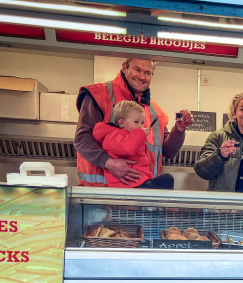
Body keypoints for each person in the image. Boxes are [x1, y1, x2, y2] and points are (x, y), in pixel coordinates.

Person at [73, 58, 194, 187]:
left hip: (143, 195)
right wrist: (108, 162)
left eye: (147, 73)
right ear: (125, 67)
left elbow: (169, 152)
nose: (142, 76)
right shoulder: (99, 94)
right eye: (137, 69)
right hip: (100, 195)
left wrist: (179, 129)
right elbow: (82, 138)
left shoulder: (156, 113)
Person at [194, 91, 243, 192]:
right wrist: (220, 155)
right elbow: (202, 171)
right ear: (234, 113)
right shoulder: (218, 137)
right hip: (224, 205)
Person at [92, 100, 174, 189]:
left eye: (142, 123)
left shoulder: (131, 137)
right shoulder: (113, 136)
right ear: (121, 123)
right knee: (168, 179)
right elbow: (127, 148)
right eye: (136, 122)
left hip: (137, 183)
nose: (140, 126)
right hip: (131, 186)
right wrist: (140, 134)